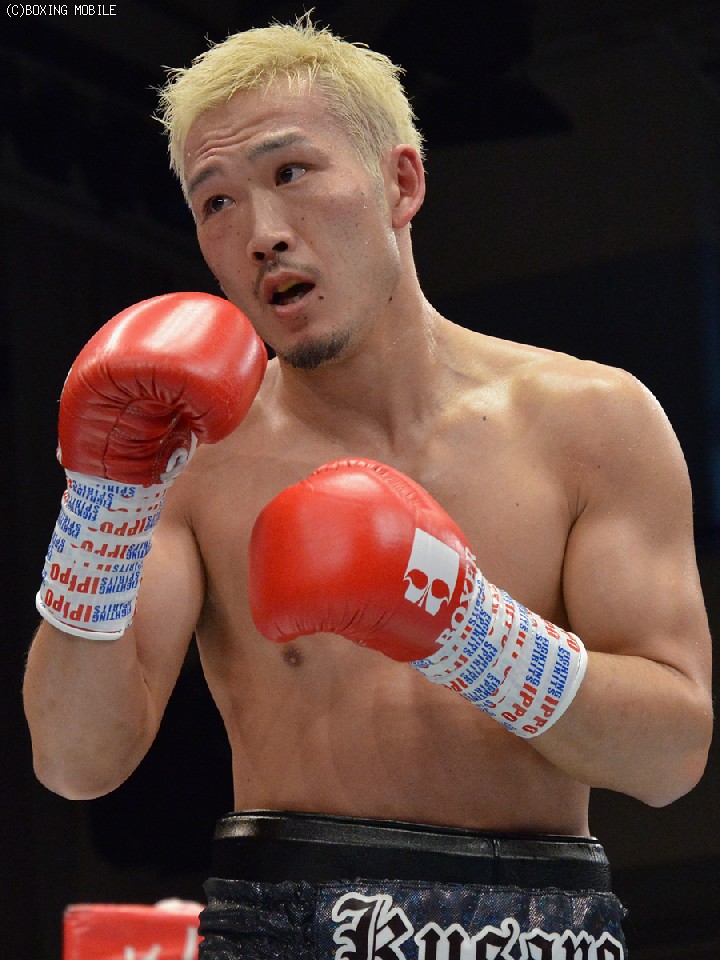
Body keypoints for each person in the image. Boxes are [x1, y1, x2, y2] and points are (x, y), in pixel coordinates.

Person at [24, 17, 712, 959]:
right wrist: (103, 507)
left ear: (402, 183)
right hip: (285, 925)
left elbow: (670, 758)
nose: (262, 233)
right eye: (216, 202)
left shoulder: (592, 424)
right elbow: (74, 762)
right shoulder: (196, 455)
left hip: (545, 928)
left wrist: (469, 631)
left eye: (291, 172)